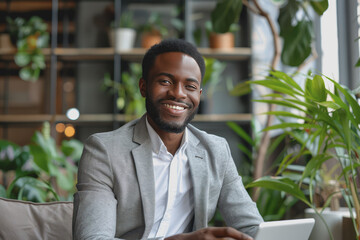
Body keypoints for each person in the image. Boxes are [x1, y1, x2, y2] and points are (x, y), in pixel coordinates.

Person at [73, 39, 263, 240]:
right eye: (165, 81)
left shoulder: (215, 151)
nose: (178, 94)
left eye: (190, 86)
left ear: (199, 95)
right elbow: (93, 238)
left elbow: (251, 226)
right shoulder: (105, 151)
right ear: (144, 87)